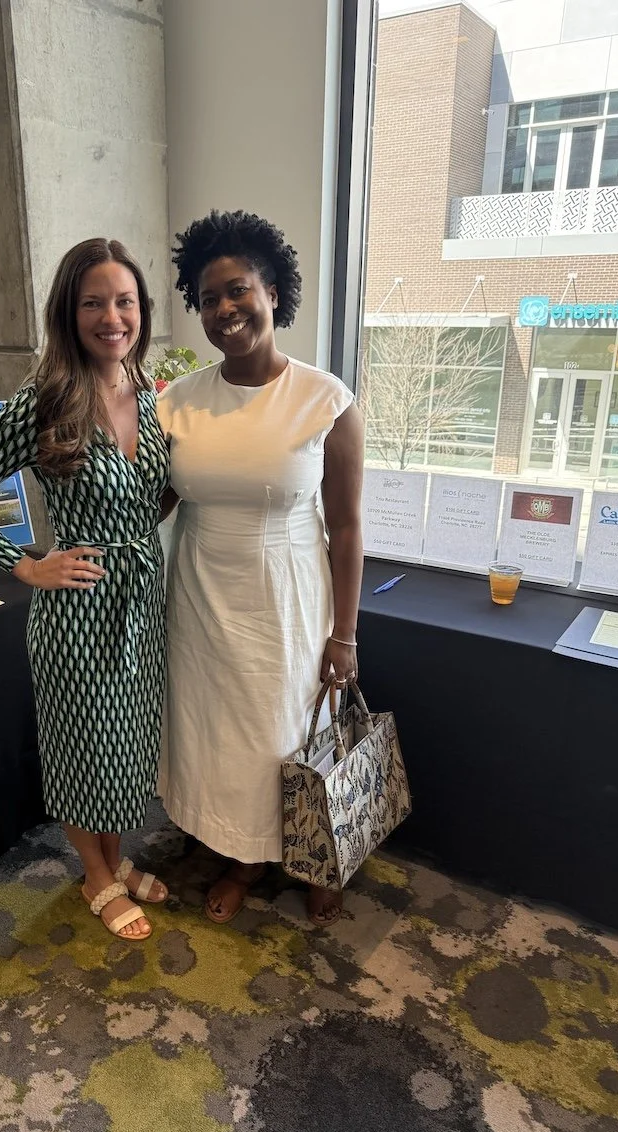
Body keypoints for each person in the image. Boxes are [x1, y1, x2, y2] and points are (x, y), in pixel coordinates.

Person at [0, 238, 170, 942]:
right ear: (69, 312)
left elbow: (151, 496)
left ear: (141, 310)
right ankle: (94, 873)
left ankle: (116, 858)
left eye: (123, 301)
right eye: (93, 302)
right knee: (82, 745)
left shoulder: (148, 394)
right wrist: (28, 564)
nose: (110, 316)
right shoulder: (44, 399)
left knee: (127, 744)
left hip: (141, 603)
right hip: (75, 608)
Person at [157, 210, 364, 927]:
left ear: (272, 291)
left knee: (291, 733)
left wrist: (346, 635)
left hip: (289, 594)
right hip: (202, 590)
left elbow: (346, 526)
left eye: (237, 290)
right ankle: (244, 856)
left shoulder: (324, 398)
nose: (223, 309)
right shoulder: (178, 402)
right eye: (208, 299)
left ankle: (315, 854)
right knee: (226, 736)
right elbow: (148, 503)